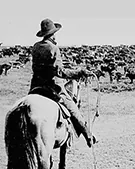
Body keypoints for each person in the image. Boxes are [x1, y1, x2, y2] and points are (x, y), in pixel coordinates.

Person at [29, 18, 95, 147]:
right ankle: (88, 135)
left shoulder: (36, 47)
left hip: (35, 87)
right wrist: (79, 72)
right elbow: (60, 72)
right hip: (52, 88)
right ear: (53, 34)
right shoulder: (53, 48)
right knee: (73, 108)